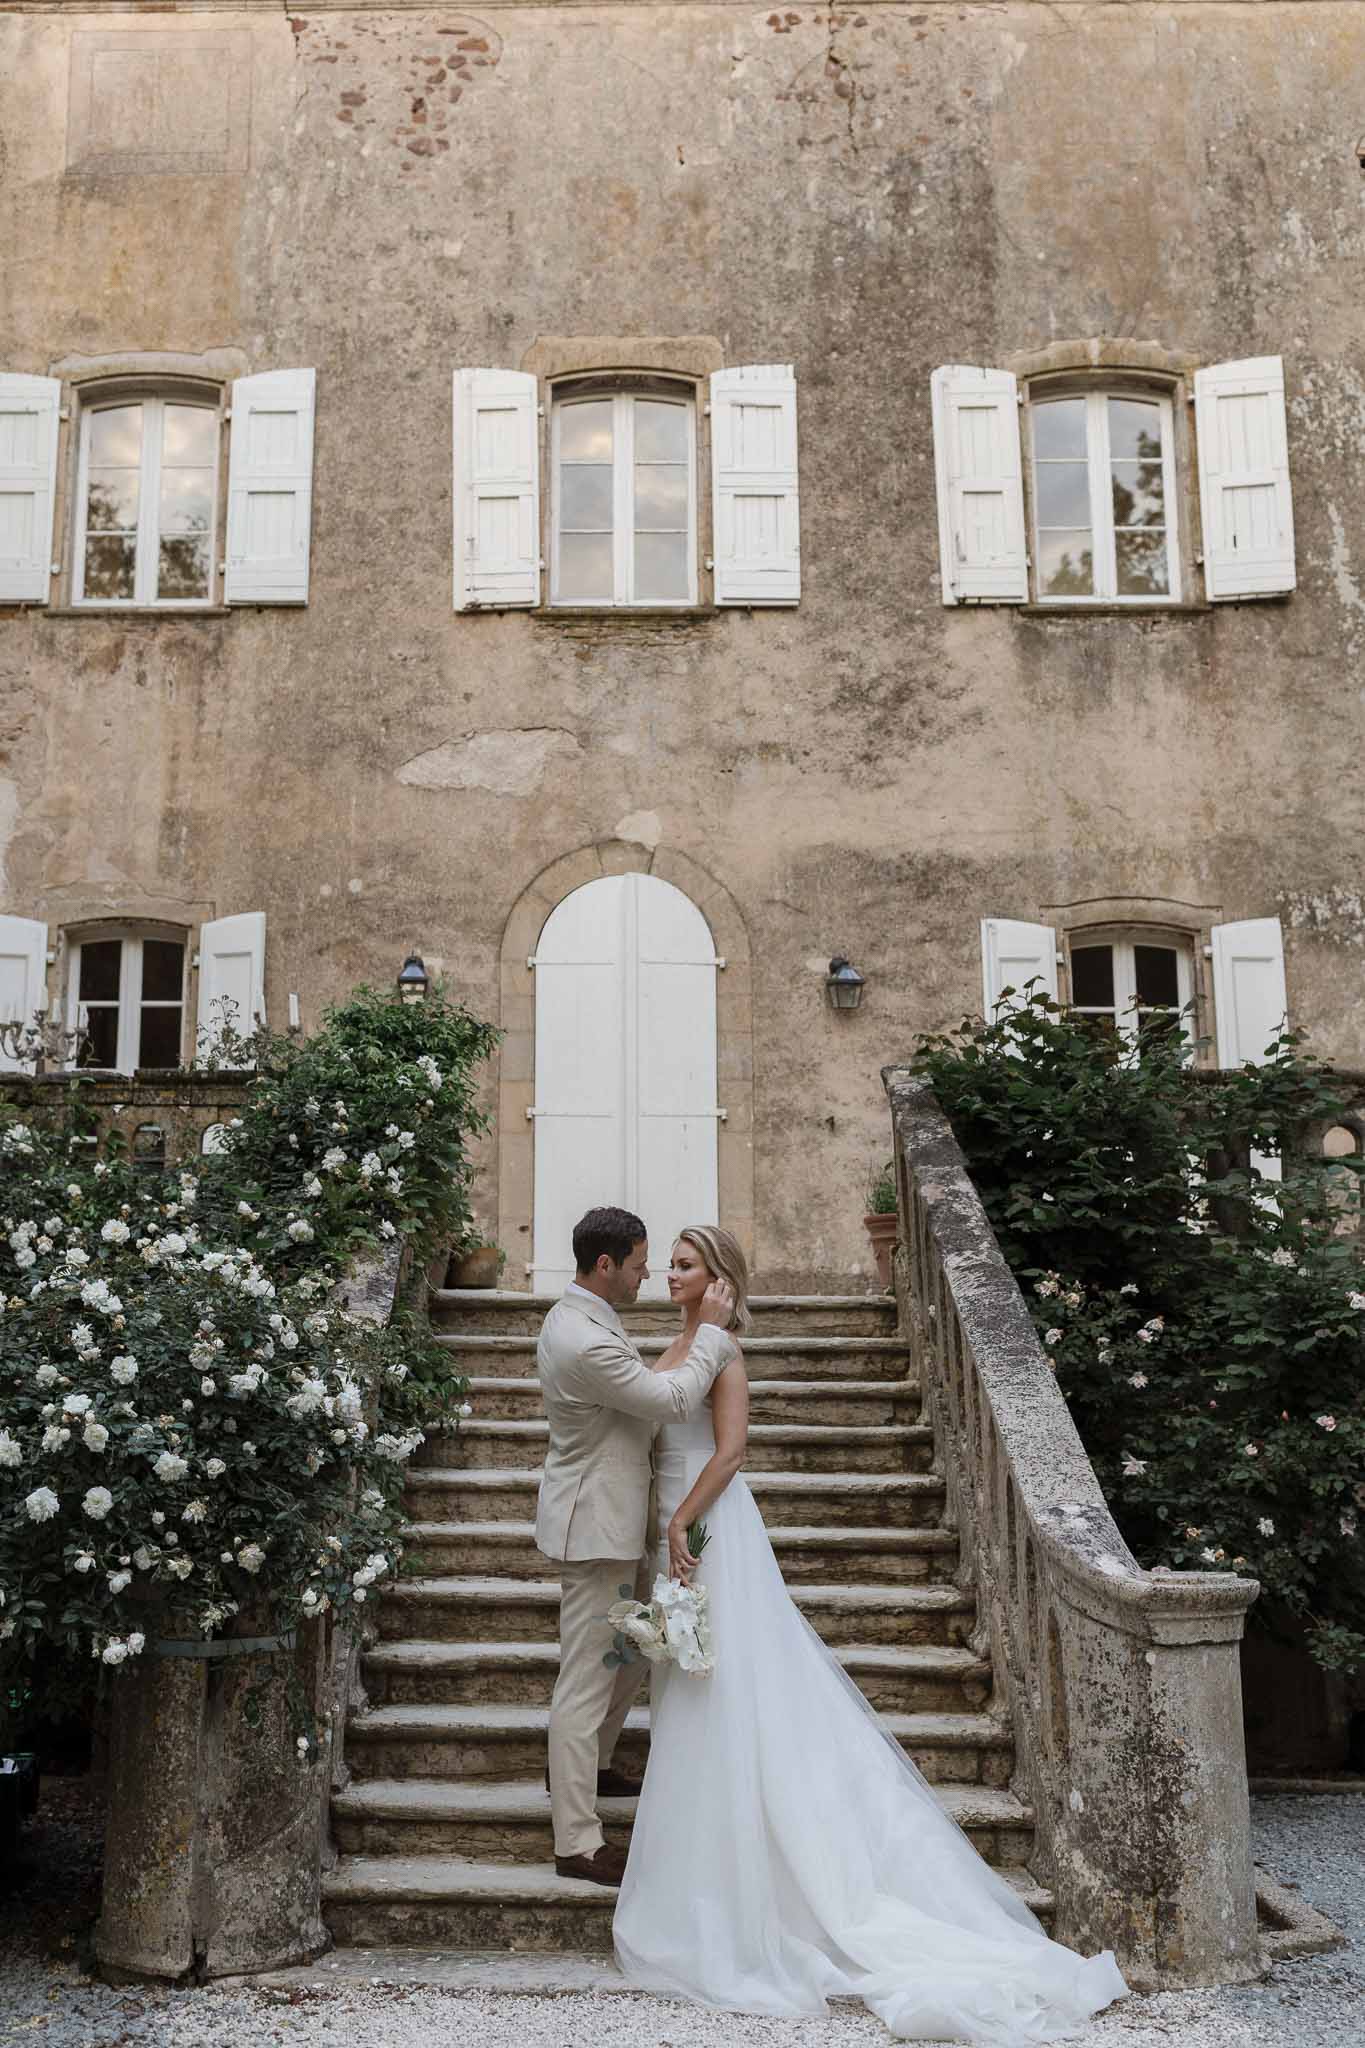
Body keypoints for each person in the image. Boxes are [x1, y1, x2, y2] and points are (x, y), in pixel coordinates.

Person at [613, 1224, 1130, 2046]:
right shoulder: (674, 1345)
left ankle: (770, 1886)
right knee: (688, 1682)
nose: (669, 1275)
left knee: (725, 1680)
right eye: (669, 1264)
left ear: (718, 1280)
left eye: (684, 1265)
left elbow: (732, 1451)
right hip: (671, 1525)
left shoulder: (725, 1354)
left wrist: (679, 1519)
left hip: (707, 1525)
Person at [534, 1205, 736, 1886]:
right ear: (605, 1265)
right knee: (588, 1675)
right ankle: (577, 1842)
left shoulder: (590, 1318)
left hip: (616, 1517)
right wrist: (708, 1334)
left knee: (625, 1656)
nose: (649, 1272)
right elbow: (672, 1400)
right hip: (594, 1525)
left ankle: (592, 1767)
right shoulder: (583, 1338)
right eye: (641, 1260)